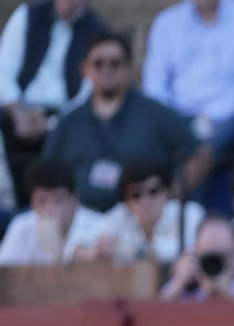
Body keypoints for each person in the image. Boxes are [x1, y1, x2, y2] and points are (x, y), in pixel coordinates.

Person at [41, 30, 204, 212]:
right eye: (98, 63)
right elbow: (45, 173)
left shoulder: (156, 114)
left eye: (115, 63)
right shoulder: (68, 121)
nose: (106, 69)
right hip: (77, 219)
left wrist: (171, 199)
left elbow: (201, 154)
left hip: (139, 218)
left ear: (130, 68)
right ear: (85, 69)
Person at [0, 0, 109, 195]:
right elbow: (3, 70)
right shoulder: (28, 15)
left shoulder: (97, 30)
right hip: (18, 110)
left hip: (64, 116)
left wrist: (52, 124)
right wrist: (18, 113)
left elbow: (88, 94)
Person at [141, 0, 234, 163]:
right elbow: (155, 82)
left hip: (228, 116)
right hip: (174, 113)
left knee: (199, 151)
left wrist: (208, 117)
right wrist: (168, 118)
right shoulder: (166, 22)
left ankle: (179, 188)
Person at [76, 157, 204, 263]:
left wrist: (122, 253)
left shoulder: (189, 213)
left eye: (153, 191)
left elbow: (190, 254)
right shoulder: (120, 215)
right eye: (136, 195)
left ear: (167, 193)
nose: (145, 201)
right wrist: (96, 253)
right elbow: (75, 247)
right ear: (127, 202)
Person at [0, 156, 102, 263]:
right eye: (42, 201)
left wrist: (57, 249)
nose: (50, 209)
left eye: (58, 201)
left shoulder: (100, 227)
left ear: (74, 199)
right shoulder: (20, 226)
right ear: (32, 203)